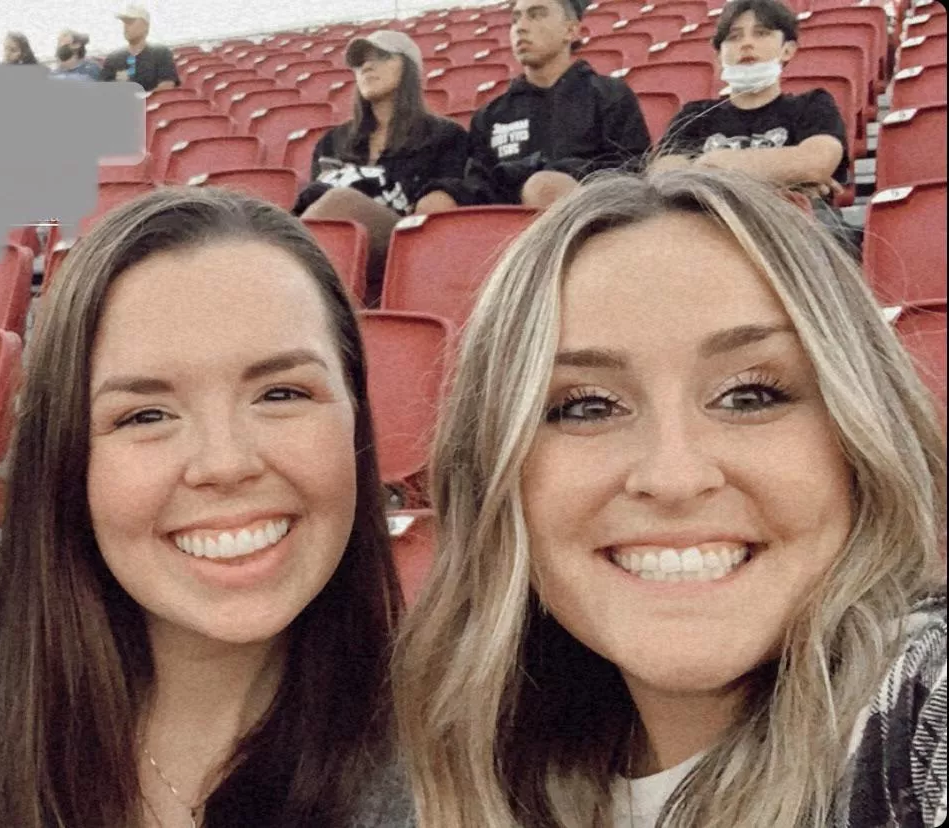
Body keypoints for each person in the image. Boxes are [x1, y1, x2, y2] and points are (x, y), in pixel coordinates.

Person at [0, 188, 410, 827]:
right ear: (66, 460)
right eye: (146, 415)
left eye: (281, 394)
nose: (225, 463)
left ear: (356, 417)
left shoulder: (445, 756)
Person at [392, 168, 947, 827]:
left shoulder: (923, 707)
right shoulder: (476, 766)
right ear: (491, 471)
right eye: (587, 407)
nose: (673, 476)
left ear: (862, 437)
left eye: (750, 396)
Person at [296, 30, 471, 306]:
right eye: (359, 62)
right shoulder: (332, 142)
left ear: (408, 67)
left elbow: (440, 217)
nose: (366, 67)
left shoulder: (444, 136)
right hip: (336, 251)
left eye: (381, 56)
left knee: (339, 201)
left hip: (405, 243)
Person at [653, 0, 850, 205]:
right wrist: (787, 176)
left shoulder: (812, 104)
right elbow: (664, 176)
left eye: (761, 33)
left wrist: (711, 164)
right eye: (734, 37)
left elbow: (815, 164)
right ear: (719, 56)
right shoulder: (694, 115)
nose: (746, 44)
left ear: (788, 50)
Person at [458, 0, 651, 208]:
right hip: (512, 224)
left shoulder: (610, 95)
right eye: (515, 19)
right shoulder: (490, 115)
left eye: (537, 15)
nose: (521, 27)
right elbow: (479, 189)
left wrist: (554, 175)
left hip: (595, 216)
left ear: (571, 31)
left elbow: (631, 172)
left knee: (545, 187)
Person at [99, 5, 180, 92]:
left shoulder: (161, 53)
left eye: (130, 22)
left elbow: (167, 84)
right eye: (124, 22)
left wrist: (141, 97)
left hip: (152, 100)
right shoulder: (113, 58)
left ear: (145, 26)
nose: (125, 26)